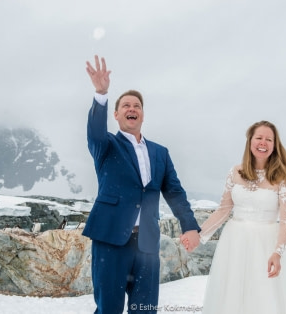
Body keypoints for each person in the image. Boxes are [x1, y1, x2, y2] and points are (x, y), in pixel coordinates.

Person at [81, 55, 201, 314]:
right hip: (110, 241)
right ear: (116, 114)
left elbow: (175, 192)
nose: (131, 109)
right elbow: (95, 131)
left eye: (136, 105)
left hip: (147, 244)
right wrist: (100, 94)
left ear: (143, 115)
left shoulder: (160, 152)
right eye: (125, 105)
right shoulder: (106, 145)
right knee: (108, 309)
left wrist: (189, 225)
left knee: (145, 310)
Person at [182, 121, 286, 313]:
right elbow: (223, 210)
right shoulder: (235, 172)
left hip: (266, 245)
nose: (263, 142)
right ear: (250, 141)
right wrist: (199, 235)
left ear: (274, 144)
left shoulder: (284, 177)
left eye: (269, 139)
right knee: (233, 296)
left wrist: (278, 253)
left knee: (264, 297)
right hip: (234, 242)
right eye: (259, 138)